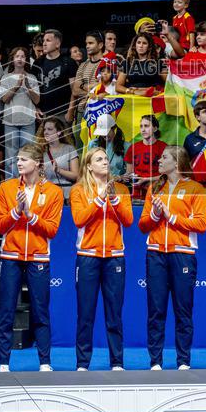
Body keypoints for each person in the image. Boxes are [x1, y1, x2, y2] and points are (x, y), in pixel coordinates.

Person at [0, 144, 64, 371]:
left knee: (40, 310)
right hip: (11, 256)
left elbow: (52, 230)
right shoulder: (7, 188)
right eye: (18, 159)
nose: (19, 163)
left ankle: (45, 362)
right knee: (6, 310)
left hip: (39, 257)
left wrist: (30, 215)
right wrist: (17, 210)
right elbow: (1, 226)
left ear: (37, 163)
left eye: (24, 159)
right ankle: (3, 362)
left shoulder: (53, 192)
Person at [139, 146, 206, 370]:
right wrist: (156, 215)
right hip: (156, 254)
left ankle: (183, 361)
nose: (159, 160)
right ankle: (155, 361)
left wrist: (172, 216)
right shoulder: (155, 187)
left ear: (177, 162)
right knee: (156, 310)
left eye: (164, 157)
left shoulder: (195, 188)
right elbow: (143, 226)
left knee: (183, 310)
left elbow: (200, 224)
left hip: (182, 254)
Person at [70, 148, 133, 371]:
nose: (105, 162)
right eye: (99, 159)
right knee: (85, 314)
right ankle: (83, 364)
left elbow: (128, 221)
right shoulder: (78, 191)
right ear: (89, 166)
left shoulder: (122, 189)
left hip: (115, 257)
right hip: (87, 257)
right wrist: (99, 199)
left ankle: (117, 362)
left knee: (114, 314)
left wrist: (114, 199)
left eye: (106, 158)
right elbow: (79, 219)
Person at [0, 46, 40, 178]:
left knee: (28, 154)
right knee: (11, 156)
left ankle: (28, 182)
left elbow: (37, 100)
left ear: (27, 60)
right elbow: (4, 99)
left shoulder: (32, 77)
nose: (20, 59)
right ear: (12, 59)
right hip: (10, 122)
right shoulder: (5, 77)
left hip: (28, 121)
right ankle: (12, 185)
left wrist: (27, 86)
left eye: (23, 56)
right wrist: (16, 86)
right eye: (17, 56)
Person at [38, 116, 79, 200]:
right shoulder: (41, 151)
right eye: (45, 129)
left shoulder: (69, 149)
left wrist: (59, 170)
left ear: (59, 132)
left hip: (67, 195)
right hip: (49, 194)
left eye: (50, 129)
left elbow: (76, 175)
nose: (45, 132)